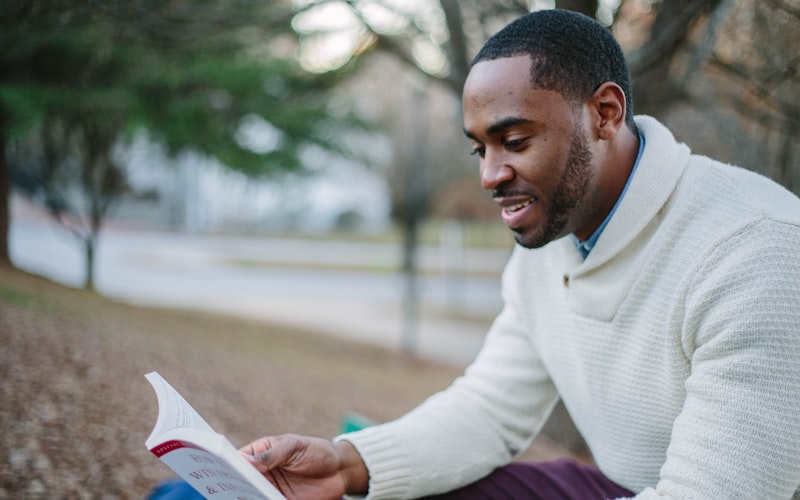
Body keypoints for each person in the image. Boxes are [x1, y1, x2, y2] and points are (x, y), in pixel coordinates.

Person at [241, 9, 800, 499]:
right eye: (479, 147)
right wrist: (346, 463)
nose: (489, 176)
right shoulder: (554, 234)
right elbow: (489, 409)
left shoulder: (757, 253)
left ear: (604, 113)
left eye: (514, 141)